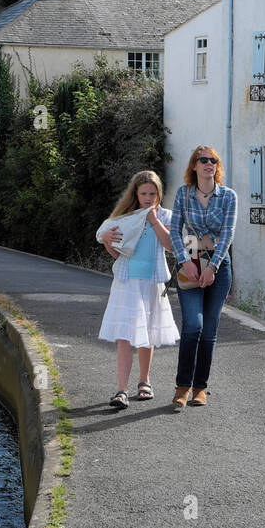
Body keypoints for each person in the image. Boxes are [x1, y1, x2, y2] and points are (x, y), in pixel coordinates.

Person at [96, 170, 179, 408]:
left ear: (159, 193)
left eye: (153, 193)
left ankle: (144, 381)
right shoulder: (126, 216)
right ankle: (121, 390)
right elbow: (109, 242)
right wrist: (107, 240)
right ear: (136, 193)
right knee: (125, 335)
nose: (148, 198)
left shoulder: (166, 216)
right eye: (143, 193)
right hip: (127, 281)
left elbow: (171, 246)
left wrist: (153, 220)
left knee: (147, 333)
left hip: (152, 282)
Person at [167, 146, 237, 412]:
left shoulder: (228, 196)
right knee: (192, 327)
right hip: (190, 266)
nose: (209, 163)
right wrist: (185, 260)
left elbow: (228, 234)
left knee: (209, 332)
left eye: (213, 160)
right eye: (203, 160)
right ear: (194, 165)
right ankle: (182, 387)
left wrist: (213, 266)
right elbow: (175, 231)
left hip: (219, 269)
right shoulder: (184, 195)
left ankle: (200, 388)